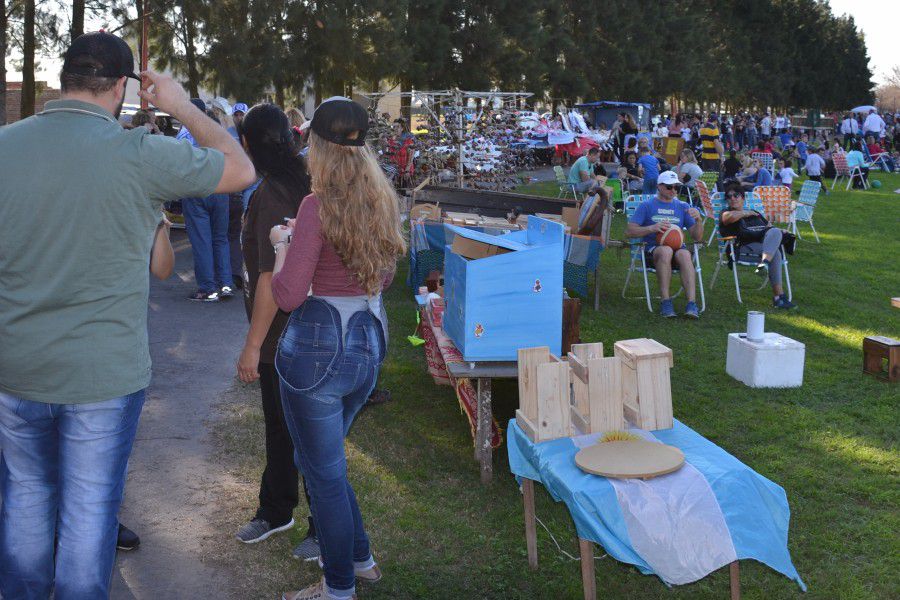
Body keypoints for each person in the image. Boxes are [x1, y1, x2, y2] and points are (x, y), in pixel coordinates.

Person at [0, 32, 254, 599]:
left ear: (64, 79)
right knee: (88, 521)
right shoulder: (138, 152)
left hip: (16, 368)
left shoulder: (5, 146)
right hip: (102, 376)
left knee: (24, 504)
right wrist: (181, 105)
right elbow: (240, 169)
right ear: (121, 87)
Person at [270, 97, 406, 600]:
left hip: (317, 355)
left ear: (317, 146)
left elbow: (287, 294)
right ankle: (361, 559)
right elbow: (384, 276)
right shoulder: (382, 200)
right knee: (324, 465)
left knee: (323, 474)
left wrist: (283, 245)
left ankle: (338, 588)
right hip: (367, 348)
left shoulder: (316, 206)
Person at [233, 104, 321, 561]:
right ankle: (277, 508)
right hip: (301, 330)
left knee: (303, 434)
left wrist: (253, 346)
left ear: (248, 144)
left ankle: (318, 524)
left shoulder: (273, 193)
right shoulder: (302, 178)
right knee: (286, 429)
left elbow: (270, 278)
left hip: (287, 335)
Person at [625, 170, 704, 319]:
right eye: (669, 187)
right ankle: (666, 301)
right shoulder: (647, 205)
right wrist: (651, 228)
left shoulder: (682, 206)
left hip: (678, 248)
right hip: (653, 251)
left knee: (685, 253)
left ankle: (691, 303)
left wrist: (699, 220)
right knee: (666, 250)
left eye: (676, 187)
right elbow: (629, 231)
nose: (674, 190)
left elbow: (697, 236)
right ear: (659, 186)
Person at [181, 99, 239, 302]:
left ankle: (208, 288)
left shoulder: (186, 132)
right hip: (221, 188)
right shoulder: (221, 133)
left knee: (202, 241)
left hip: (196, 189)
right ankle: (225, 284)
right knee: (220, 239)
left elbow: (180, 161)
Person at [719, 185, 796, 309]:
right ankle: (778, 296)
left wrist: (781, 231)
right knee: (776, 253)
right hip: (742, 249)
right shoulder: (726, 213)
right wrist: (746, 213)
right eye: (729, 196)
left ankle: (766, 268)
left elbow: (769, 228)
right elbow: (730, 218)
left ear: (743, 198)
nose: (732, 198)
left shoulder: (757, 215)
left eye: (736, 195)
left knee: (775, 234)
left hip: (762, 248)